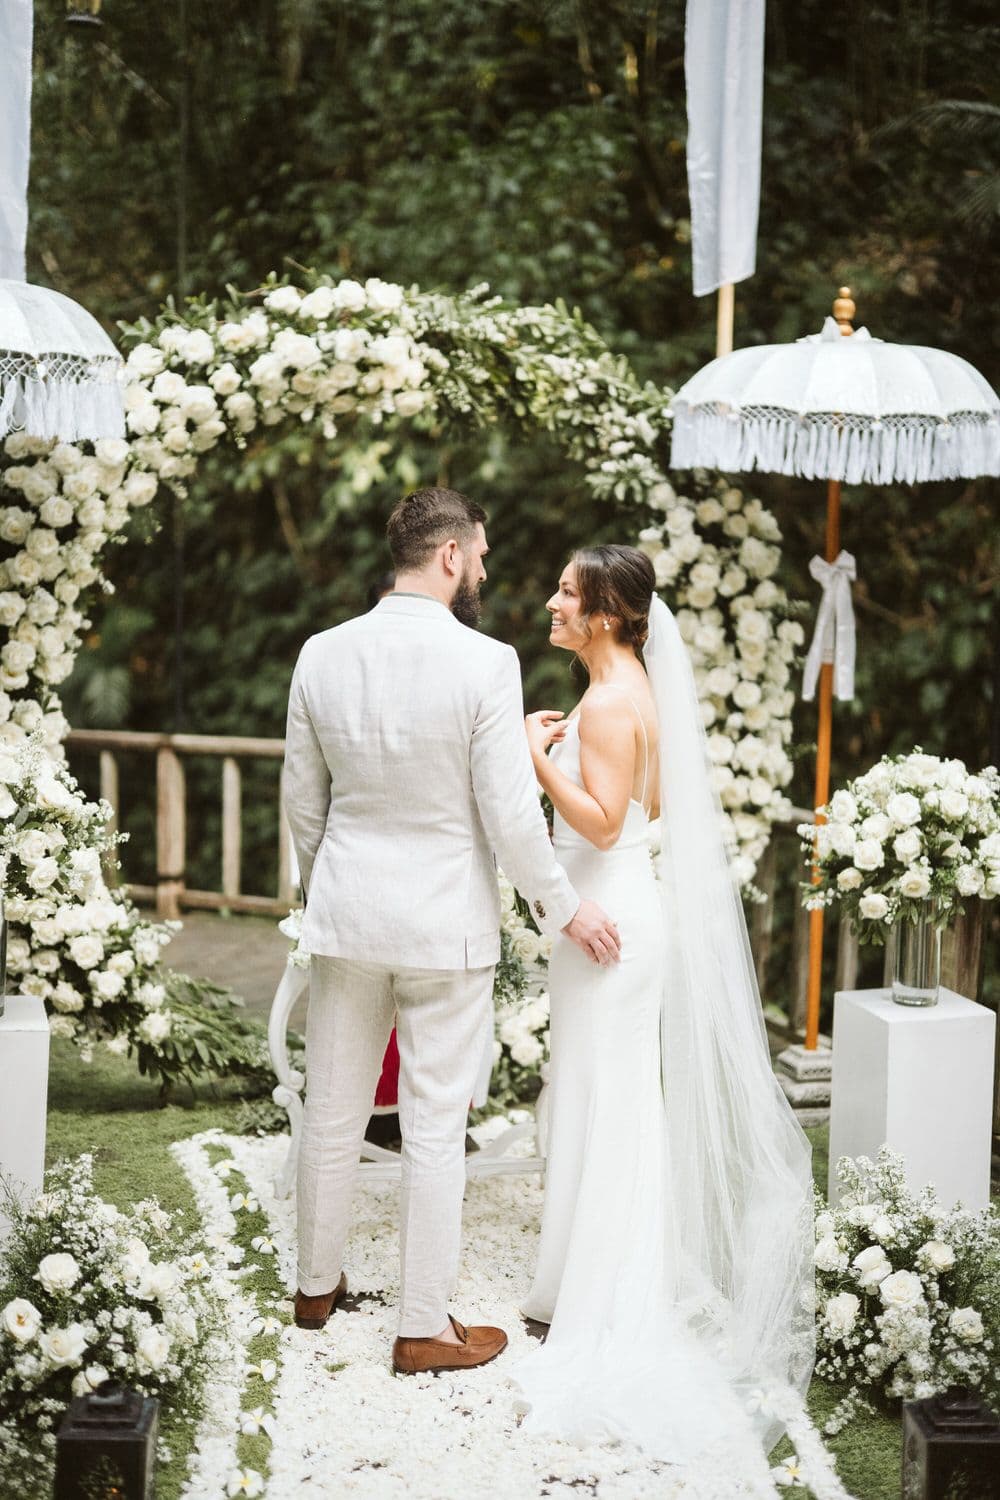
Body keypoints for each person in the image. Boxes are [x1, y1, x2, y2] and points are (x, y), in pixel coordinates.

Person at [282, 487, 621, 1376]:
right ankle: (422, 1327)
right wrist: (562, 906)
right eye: (481, 554)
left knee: (332, 1113)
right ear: (448, 556)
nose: (486, 569)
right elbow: (511, 819)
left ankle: (315, 1289)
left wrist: (330, 897)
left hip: (348, 918)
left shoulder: (321, 654)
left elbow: (302, 806)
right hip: (443, 929)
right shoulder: (488, 663)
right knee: (434, 1129)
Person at [510, 544, 815, 1473]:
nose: (552, 601)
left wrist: (534, 754)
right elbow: (639, 811)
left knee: (606, 1103)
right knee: (612, 1099)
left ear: (604, 613)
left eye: (568, 592)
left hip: (606, 919)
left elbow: (602, 823)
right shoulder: (635, 686)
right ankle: (577, 1281)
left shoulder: (604, 703)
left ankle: (599, 1295)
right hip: (622, 911)